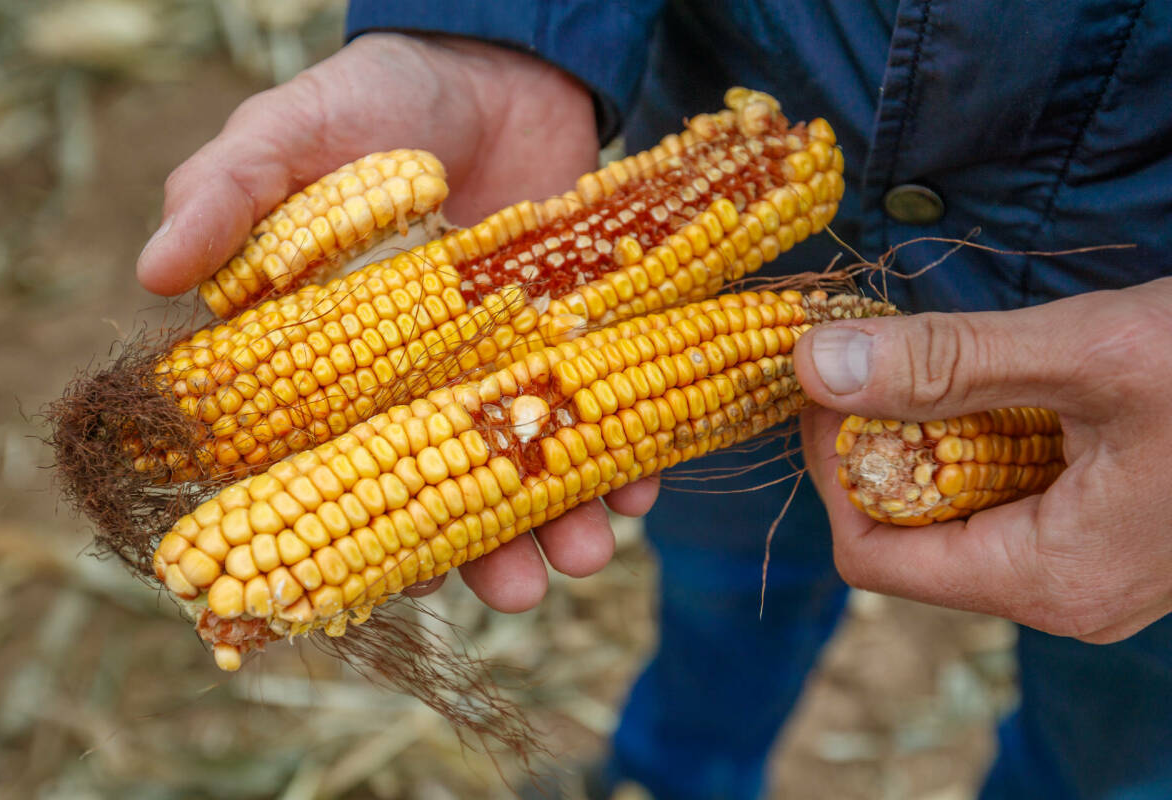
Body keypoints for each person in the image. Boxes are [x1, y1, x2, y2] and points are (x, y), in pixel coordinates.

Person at [136, 4, 1172, 798]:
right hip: (748, 218)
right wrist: (495, 33)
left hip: (1140, 354)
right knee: (726, 585)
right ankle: (673, 773)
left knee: (1120, 724)